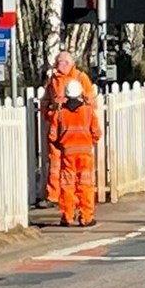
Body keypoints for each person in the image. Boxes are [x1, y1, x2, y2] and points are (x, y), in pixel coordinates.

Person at [38, 51, 97, 210]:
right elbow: (45, 101)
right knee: (56, 166)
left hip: (72, 133)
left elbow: (91, 103)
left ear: (70, 63)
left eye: (62, 62)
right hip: (59, 129)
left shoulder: (80, 77)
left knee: (76, 176)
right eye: (57, 62)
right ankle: (54, 196)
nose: (59, 65)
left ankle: (73, 208)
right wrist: (48, 115)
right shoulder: (54, 80)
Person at [51, 78, 102, 227]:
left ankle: (67, 216)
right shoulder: (88, 112)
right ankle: (86, 217)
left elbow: (53, 136)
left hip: (67, 154)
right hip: (85, 154)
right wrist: (89, 141)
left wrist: (62, 144)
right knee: (85, 185)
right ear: (80, 93)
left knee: (67, 186)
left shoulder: (60, 113)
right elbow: (97, 133)